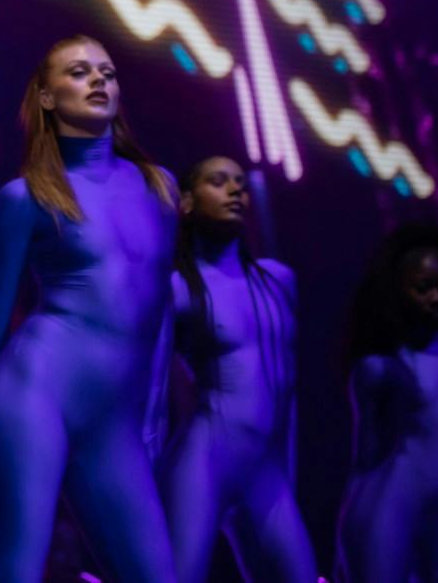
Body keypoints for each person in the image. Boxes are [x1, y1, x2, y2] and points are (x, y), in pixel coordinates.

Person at [0, 34, 177, 583]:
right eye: (79, 72)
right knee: (16, 573)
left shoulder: (161, 187)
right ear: (48, 97)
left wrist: (154, 411)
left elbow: (162, 310)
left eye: (107, 71)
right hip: (33, 394)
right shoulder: (25, 196)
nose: (99, 80)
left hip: (114, 420)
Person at [159, 156, 316, 581]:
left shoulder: (279, 280)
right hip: (205, 463)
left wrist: (287, 471)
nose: (234, 191)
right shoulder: (179, 288)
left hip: (266, 471)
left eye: (240, 184)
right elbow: (153, 387)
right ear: (187, 202)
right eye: (218, 181)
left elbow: (289, 390)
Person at [335, 223, 438, 583]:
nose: (437, 298)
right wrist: (344, 548)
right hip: (388, 517)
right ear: (399, 291)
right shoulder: (381, 368)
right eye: (423, 289)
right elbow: (363, 463)